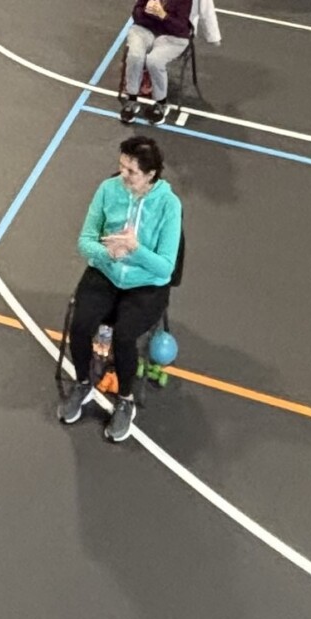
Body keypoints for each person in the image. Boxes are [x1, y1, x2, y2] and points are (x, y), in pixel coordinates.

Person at [54, 134, 182, 445]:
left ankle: (125, 399)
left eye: (131, 171)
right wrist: (106, 253)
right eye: (121, 166)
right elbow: (84, 241)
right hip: (106, 272)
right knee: (81, 325)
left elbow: (166, 268)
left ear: (151, 174)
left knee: (124, 336)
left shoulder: (169, 205)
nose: (122, 175)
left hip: (146, 284)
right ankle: (83, 382)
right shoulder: (108, 190)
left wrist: (135, 249)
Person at [120, 0, 193, 122]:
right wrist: (145, 11)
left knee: (154, 60)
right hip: (146, 28)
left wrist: (163, 15)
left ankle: (161, 102)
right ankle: (132, 98)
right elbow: (136, 13)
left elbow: (181, 26)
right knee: (135, 55)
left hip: (173, 35)